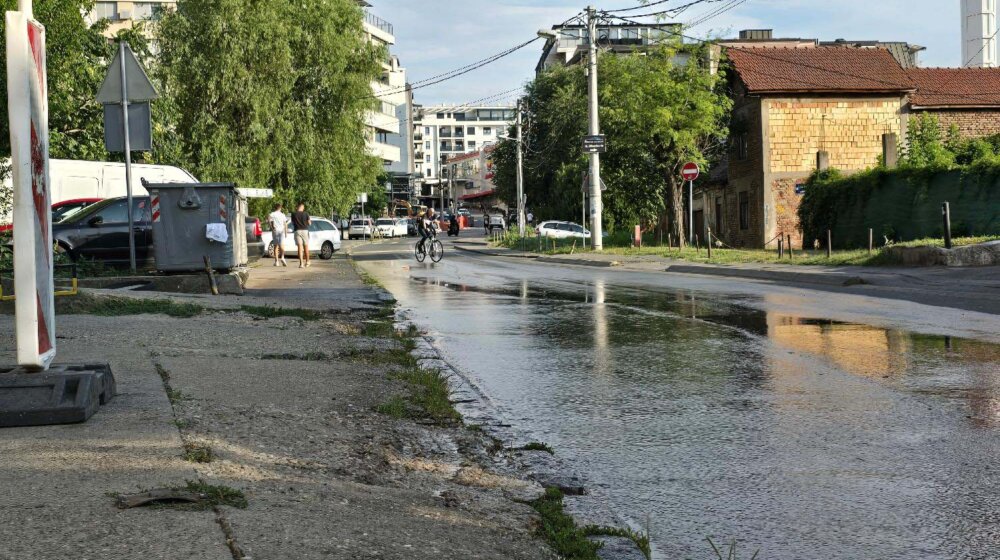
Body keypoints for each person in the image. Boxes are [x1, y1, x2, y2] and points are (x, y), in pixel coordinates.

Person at [291, 203, 311, 268]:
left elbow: (292, 222)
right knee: (306, 247)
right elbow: (309, 223)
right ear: (302, 208)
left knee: (299, 247)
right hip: (305, 231)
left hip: (297, 231)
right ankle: (307, 262)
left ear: (298, 207)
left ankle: (301, 264)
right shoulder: (306, 213)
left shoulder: (293, 214)